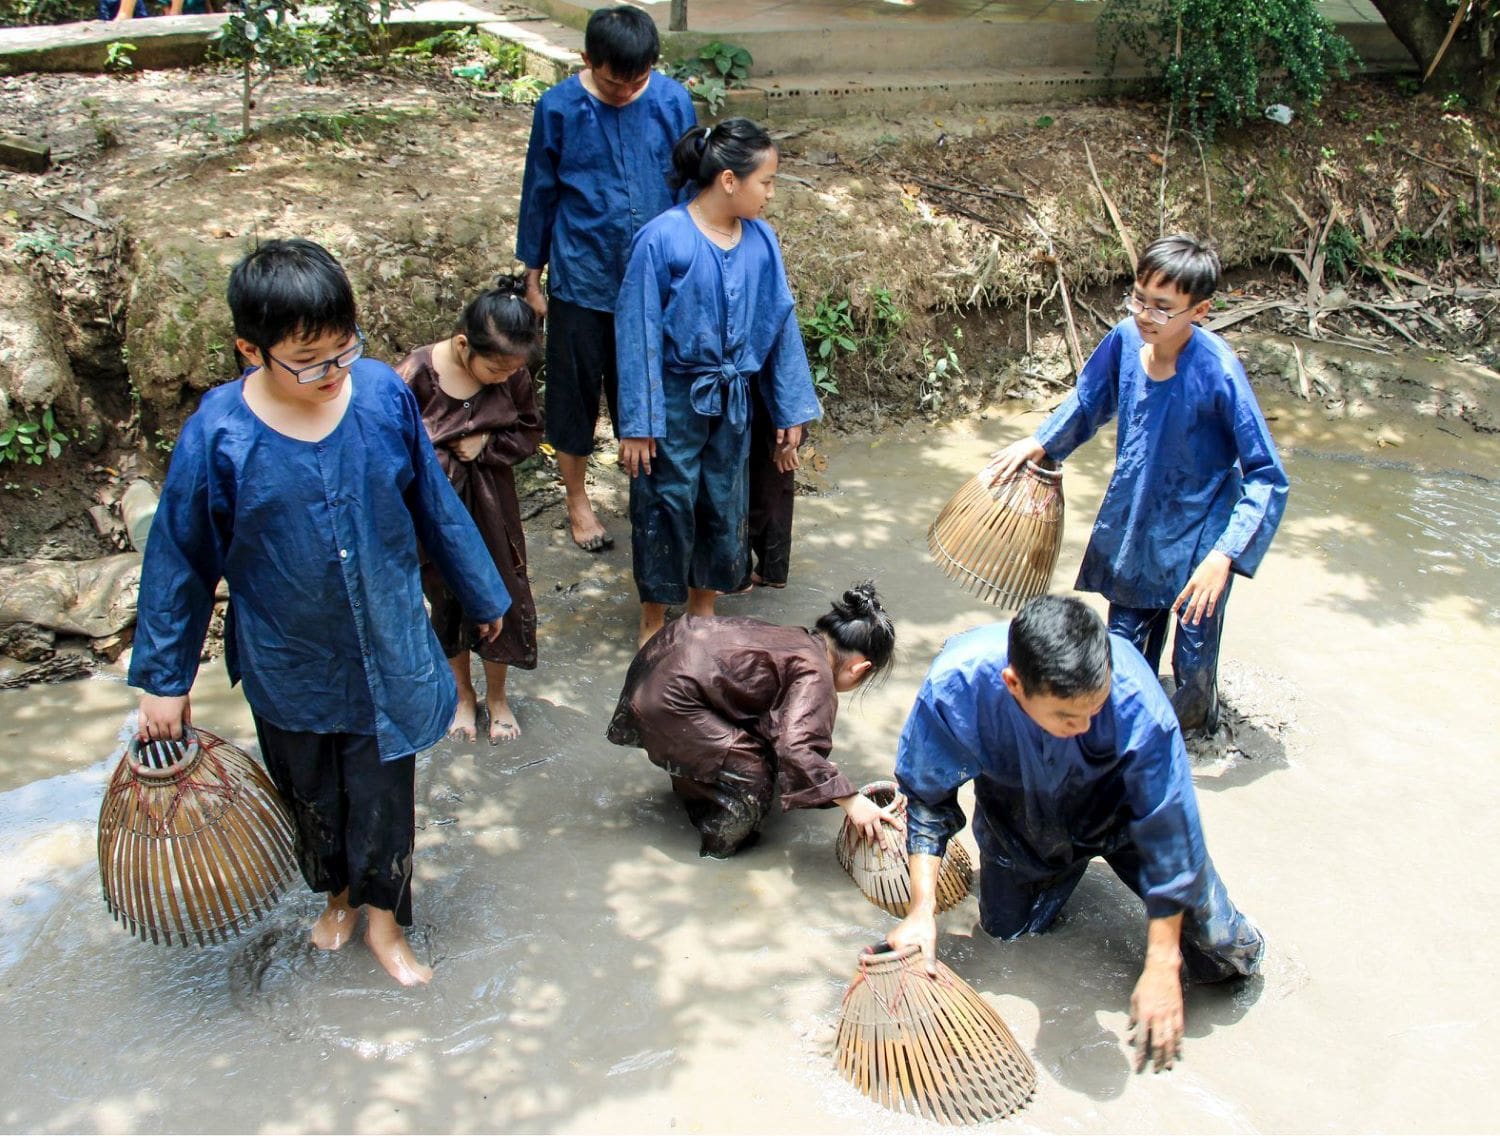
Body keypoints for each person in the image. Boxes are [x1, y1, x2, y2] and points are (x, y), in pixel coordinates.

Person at [129, 239, 510, 987]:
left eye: (343, 350)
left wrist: (483, 592)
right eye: (309, 360)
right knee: (311, 796)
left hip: (388, 645)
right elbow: (178, 560)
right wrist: (163, 681)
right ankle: (336, 896)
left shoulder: (379, 395)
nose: (332, 373)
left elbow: (430, 501)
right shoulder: (219, 436)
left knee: (383, 798)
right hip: (289, 659)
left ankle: (385, 922)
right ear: (251, 349)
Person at [888, 595, 1264, 1072]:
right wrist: (921, 910)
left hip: (1124, 817)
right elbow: (927, 796)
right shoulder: (955, 686)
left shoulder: (1138, 704)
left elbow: (1170, 831)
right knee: (1009, 936)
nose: (1086, 727)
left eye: (1096, 710)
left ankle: (1232, 936)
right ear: (1014, 685)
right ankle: (1059, 876)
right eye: (1068, 718)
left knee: (1222, 956)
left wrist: (1163, 961)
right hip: (1021, 819)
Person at [988, 234, 1288, 735]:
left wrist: (1225, 556)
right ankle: (1129, 736)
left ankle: (1193, 734)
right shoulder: (1126, 341)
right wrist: (1040, 443)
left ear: (1201, 311)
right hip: (1138, 517)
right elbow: (1089, 401)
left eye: (1163, 308)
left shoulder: (1220, 372)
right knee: (1123, 649)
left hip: (1203, 531)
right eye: (1139, 299)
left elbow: (1266, 477)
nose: (1146, 315)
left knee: (1192, 655)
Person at [615, 117, 819, 645]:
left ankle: (703, 611)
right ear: (729, 180)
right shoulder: (661, 239)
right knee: (665, 501)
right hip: (675, 401)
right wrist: (638, 423)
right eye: (766, 182)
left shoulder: (762, 241)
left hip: (733, 402)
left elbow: (780, 324)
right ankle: (655, 619)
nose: (770, 193)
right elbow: (636, 333)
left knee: (721, 499)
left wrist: (789, 409)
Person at [515, 4, 696, 554]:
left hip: (656, 280)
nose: (626, 90)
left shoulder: (671, 101)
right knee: (573, 395)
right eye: (615, 80)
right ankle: (577, 501)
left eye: (637, 79)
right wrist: (532, 274)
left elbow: (692, 189)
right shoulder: (559, 108)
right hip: (582, 277)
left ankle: (646, 493)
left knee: (649, 388)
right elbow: (539, 189)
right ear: (588, 60)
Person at [607, 582, 902, 859]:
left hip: (655, 661)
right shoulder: (817, 675)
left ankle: (696, 788)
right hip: (669, 702)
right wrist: (852, 802)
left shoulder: (797, 639)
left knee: (753, 748)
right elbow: (796, 748)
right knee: (753, 775)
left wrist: (821, 775)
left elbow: (776, 725)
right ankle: (719, 845)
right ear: (859, 668)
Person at [397, 274, 543, 744]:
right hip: (436, 512)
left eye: (511, 372)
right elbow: (391, 449)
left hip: (491, 504)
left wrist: (487, 442)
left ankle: (497, 697)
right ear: (463, 345)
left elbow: (529, 430)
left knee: (499, 592)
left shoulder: (513, 373)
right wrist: (441, 457)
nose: (505, 379)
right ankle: (464, 696)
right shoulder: (415, 375)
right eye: (496, 371)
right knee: (445, 597)